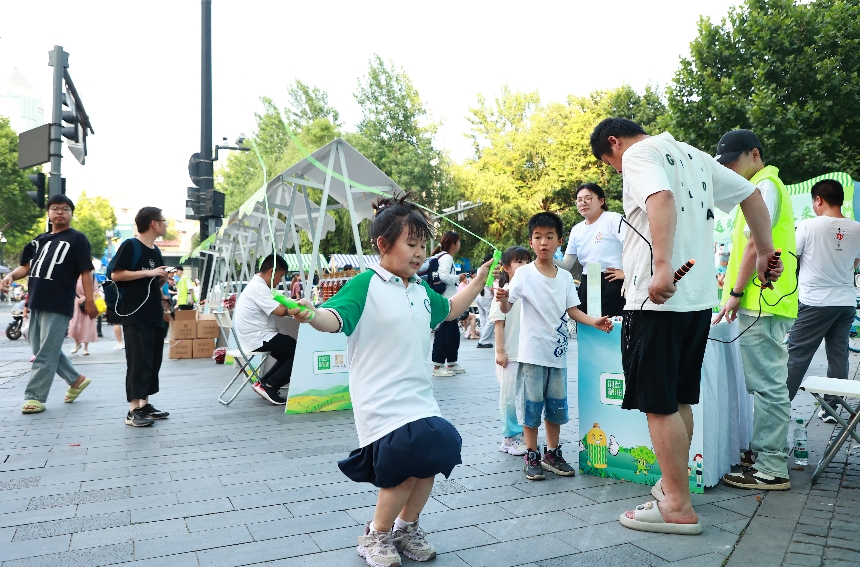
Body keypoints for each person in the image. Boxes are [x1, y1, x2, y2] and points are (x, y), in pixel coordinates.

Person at [590, 118, 781, 535]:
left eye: (610, 162)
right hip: (695, 302)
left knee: (658, 404)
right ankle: (673, 486)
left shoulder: (640, 153)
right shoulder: (694, 155)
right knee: (677, 400)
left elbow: (660, 197)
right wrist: (766, 252)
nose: (617, 171)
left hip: (655, 300)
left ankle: (676, 504)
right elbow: (750, 195)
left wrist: (660, 267)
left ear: (614, 142)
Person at [289, 194, 495, 567]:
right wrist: (311, 314)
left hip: (419, 396)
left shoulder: (419, 289)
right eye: (411, 245)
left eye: (422, 246)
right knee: (403, 464)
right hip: (379, 398)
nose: (419, 254)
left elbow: (450, 311)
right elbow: (333, 320)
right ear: (384, 245)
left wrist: (479, 280)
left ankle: (406, 528)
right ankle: (376, 535)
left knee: (434, 453)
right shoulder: (365, 284)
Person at [496, 212, 613, 481]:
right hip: (532, 354)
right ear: (531, 241)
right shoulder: (523, 274)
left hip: (557, 355)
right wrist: (502, 298)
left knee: (556, 408)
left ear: (559, 241)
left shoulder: (563, 277)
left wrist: (594, 321)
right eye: (538, 237)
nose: (543, 242)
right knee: (531, 407)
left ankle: (552, 453)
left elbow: (573, 310)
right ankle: (531, 454)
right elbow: (507, 306)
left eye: (549, 237)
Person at [713, 129, 798, 491]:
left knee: (768, 385)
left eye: (734, 162)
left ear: (754, 154)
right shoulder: (761, 186)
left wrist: (734, 292)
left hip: (763, 299)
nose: (730, 170)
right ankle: (765, 454)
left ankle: (771, 466)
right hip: (767, 299)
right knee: (766, 384)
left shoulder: (763, 188)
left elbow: (752, 247)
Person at [0, 195, 97, 414]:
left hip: (59, 301)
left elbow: (85, 271)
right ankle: (76, 379)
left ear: (71, 214)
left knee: (44, 353)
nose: (60, 212)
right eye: (55, 208)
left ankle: (35, 396)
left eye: (65, 209)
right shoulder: (39, 240)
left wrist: (89, 301)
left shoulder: (77, 239)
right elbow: (25, 267)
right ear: (49, 213)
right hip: (36, 300)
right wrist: (11, 277)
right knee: (40, 348)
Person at [786, 179, 860, 420]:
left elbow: (792, 258)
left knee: (797, 355)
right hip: (845, 301)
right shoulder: (857, 228)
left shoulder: (808, 226)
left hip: (815, 302)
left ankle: (780, 405)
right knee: (838, 355)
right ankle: (831, 409)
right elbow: (855, 263)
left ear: (819, 200)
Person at [110, 207, 171, 427]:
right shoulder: (130, 245)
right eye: (164, 221)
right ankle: (133, 410)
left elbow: (154, 282)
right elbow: (116, 274)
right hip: (135, 314)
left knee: (152, 361)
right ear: (154, 223)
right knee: (137, 361)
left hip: (154, 313)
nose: (166, 225)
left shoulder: (155, 250)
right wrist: (148, 273)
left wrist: (162, 277)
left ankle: (144, 405)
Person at [233, 254, 296, 405]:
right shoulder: (259, 288)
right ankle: (270, 385)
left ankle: (265, 382)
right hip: (257, 337)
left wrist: (287, 305)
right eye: (280, 276)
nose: (280, 280)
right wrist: (294, 308)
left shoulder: (257, 285)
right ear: (271, 271)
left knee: (289, 349)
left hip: (254, 335)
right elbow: (280, 311)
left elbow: (278, 305)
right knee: (296, 350)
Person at [555, 183, 626, 316]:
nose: (583, 203)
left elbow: (633, 246)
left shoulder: (613, 219)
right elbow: (567, 264)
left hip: (612, 281)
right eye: (579, 199)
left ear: (601, 201)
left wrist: (626, 273)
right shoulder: (577, 229)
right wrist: (547, 258)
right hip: (589, 282)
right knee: (588, 328)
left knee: (612, 327)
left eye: (588, 198)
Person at [489, 246, 532, 457]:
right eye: (519, 262)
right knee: (508, 397)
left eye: (527, 262)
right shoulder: (503, 291)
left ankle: (523, 434)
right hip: (510, 354)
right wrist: (500, 351)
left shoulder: (529, 290)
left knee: (523, 397)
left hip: (527, 353)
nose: (524, 266)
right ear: (506, 267)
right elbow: (499, 323)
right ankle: (509, 438)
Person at [430, 231, 463, 376]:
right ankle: (437, 366)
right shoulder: (447, 257)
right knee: (443, 334)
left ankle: (452, 362)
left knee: (453, 334)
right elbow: (443, 276)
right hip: (445, 301)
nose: (460, 245)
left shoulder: (439, 256)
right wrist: (458, 278)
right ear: (453, 244)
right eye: (459, 242)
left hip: (448, 300)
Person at [68, 274, 98, 356]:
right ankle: (77, 343)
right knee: (73, 324)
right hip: (76, 302)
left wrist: (85, 298)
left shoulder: (92, 277)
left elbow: (95, 291)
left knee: (87, 324)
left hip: (88, 302)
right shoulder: (74, 275)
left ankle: (85, 347)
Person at [474, 252, 496, 348]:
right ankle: (484, 340)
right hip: (487, 297)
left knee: (483, 319)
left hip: (479, 296)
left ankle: (483, 339)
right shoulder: (489, 270)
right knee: (491, 319)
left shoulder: (480, 269)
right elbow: (489, 285)